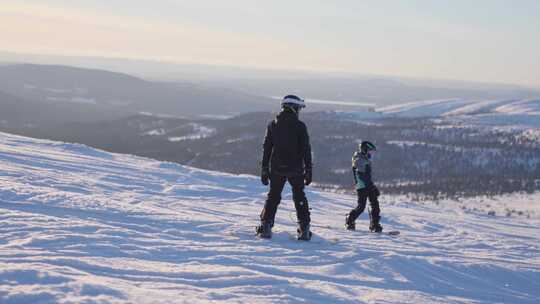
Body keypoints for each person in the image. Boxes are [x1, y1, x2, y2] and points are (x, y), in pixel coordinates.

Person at [256, 95, 313, 240]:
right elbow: (306, 149)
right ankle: (304, 229)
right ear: (293, 108)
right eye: (299, 108)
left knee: (273, 196)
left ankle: (266, 227)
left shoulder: (272, 125)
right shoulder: (300, 126)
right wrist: (309, 170)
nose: (299, 111)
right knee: (299, 195)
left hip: (277, 168)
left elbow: (267, 148)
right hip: (296, 169)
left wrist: (264, 168)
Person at [345, 141, 383, 232]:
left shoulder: (365, 159)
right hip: (362, 187)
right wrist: (371, 186)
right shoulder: (359, 160)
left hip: (368, 185)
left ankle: (375, 224)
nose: (371, 154)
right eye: (370, 152)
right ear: (365, 150)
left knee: (375, 204)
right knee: (361, 207)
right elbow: (361, 176)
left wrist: (372, 186)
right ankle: (349, 220)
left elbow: (367, 176)